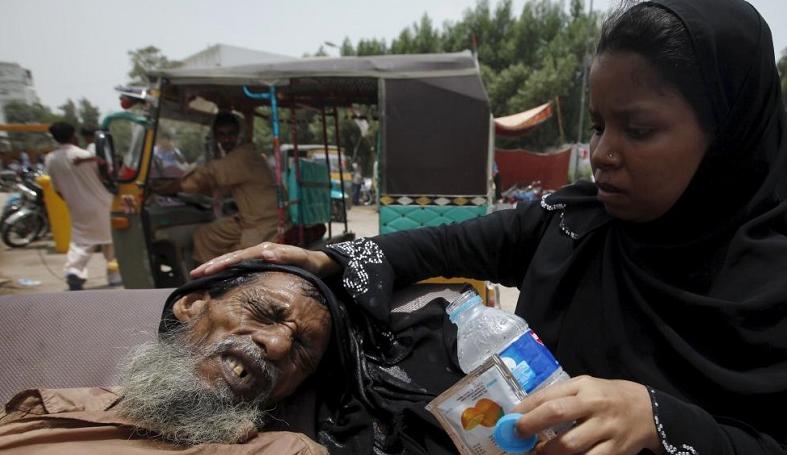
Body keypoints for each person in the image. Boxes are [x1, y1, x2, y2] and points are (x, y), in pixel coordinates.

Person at [191, 0, 787, 453]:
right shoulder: (576, 223)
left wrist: (658, 420)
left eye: (638, 130)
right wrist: (332, 260)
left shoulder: (770, 282)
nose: (602, 152)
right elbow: (442, 244)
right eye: (601, 124)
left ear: (727, 137)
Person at [0, 262, 464, 454]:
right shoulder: (45, 412)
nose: (278, 346)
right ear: (191, 305)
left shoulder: (282, 452)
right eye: (264, 312)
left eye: (302, 350)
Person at [152, 112, 281, 264]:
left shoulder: (242, 157)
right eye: (221, 134)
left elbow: (208, 175)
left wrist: (168, 187)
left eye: (231, 134)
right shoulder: (243, 154)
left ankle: (209, 281)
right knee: (205, 234)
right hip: (253, 218)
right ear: (216, 137)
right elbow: (218, 185)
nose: (226, 139)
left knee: (205, 238)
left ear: (239, 134)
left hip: (262, 224)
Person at [45, 122, 121, 290]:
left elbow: (57, 189)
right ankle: (115, 276)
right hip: (103, 203)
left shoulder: (50, 159)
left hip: (76, 206)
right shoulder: (86, 156)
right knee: (112, 243)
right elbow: (107, 176)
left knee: (81, 243)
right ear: (73, 136)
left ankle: (74, 272)